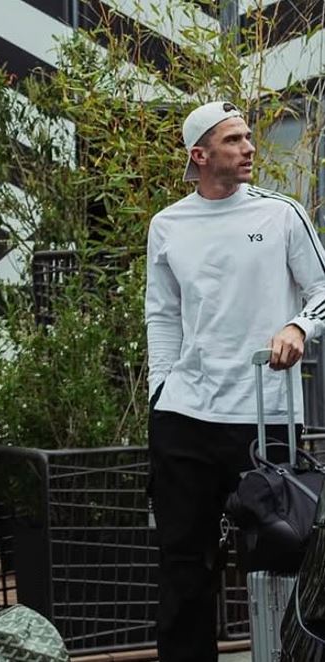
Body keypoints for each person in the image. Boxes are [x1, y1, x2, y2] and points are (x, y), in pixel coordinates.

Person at [145, 100, 325, 661]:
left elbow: (323, 289)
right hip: (184, 417)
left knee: (280, 560)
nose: (249, 148)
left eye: (248, 137)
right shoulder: (168, 225)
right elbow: (162, 316)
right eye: (233, 140)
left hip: (265, 417)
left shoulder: (282, 214)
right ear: (199, 155)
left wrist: (299, 326)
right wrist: (159, 393)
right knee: (183, 566)